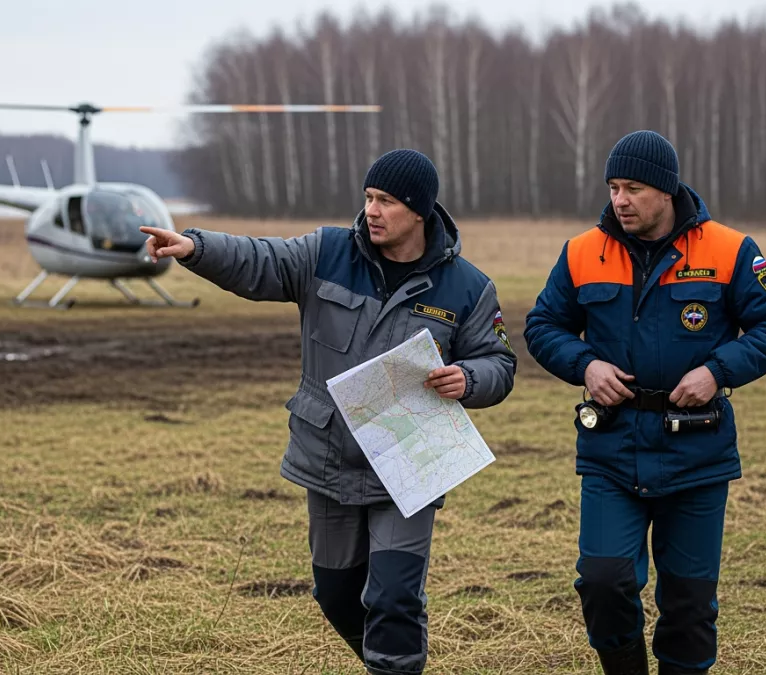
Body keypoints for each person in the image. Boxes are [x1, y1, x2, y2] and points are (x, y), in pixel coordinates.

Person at [141, 149, 516, 675]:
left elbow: (498, 362)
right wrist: (195, 247)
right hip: (329, 460)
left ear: (419, 211)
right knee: (337, 595)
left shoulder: (468, 288)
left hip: (409, 465)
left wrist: (469, 378)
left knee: (392, 599)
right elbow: (259, 259)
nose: (372, 211)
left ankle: (394, 663)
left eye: (386, 201)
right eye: (368, 198)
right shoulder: (326, 252)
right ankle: (387, 659)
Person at [523, 130, 766, 674]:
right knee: (603, 582)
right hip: (611, 449)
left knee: (690, 606)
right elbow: (543, 325)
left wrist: (716, 371)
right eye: (613, 187)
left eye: (632, 188)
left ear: (667, 191)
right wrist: (586, 365)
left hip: (696, 450)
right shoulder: (582, 252)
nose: (619, 200)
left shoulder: (730, 250)